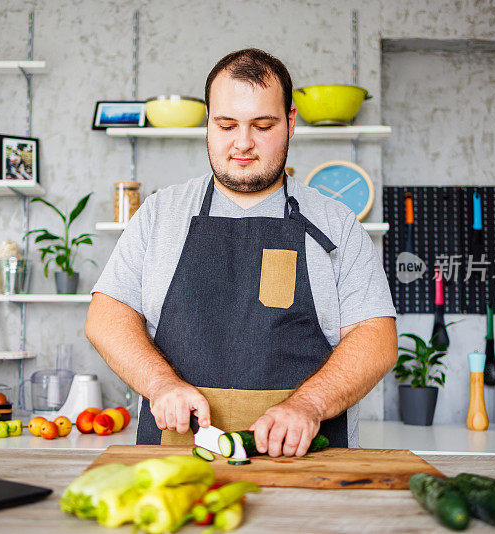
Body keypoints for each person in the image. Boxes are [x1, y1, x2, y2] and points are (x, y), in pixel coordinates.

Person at [86, 48, 397, 456]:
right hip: (176, 458)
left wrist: (308, 404)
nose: (243, 143)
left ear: (290, 122)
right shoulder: (160, 214)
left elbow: (376, 339)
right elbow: (107, 316)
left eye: (263, 125)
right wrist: (160, 384)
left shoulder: (337, 223)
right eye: (227, 125)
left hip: (306, 461)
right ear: (208, 125)